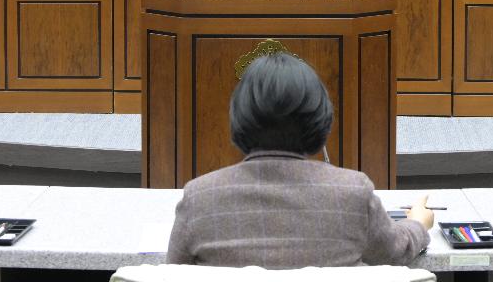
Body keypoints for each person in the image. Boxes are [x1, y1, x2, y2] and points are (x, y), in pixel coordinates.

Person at [166, 53, 433, 268]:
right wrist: (418, 223)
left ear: (239, 117)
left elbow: (172, 274)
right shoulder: (352, 194)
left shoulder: (199, 198)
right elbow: (396, 252)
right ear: (320, 118)